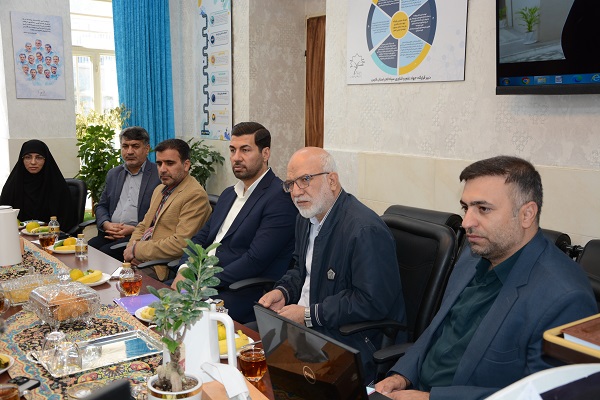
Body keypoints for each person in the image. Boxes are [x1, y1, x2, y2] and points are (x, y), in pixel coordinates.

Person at [375, 156, 597, 400]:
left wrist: (431, 399)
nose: (466, 223)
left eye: (483, 209)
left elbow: (549, 397)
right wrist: (402, 376)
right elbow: (436, 332)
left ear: (527, 214)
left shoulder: (567, 298)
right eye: (466, 208)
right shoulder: (473, 256)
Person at [259, 147, 406, 384]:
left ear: (332, 181)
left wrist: (309, 315)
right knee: (249, 354)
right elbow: (300, 269)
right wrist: (283, 291)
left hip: (350, 339)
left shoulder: (364, 230)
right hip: (307, 327)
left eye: (305, 180)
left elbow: (372, 301)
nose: (296, 192)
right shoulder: (305, 218)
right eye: (291, 184)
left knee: (274, 378)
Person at [171, 122, 298, 323]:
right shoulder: (229, 194)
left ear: (265, 153)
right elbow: (200, 239)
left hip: (239, 291)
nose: (236, 157)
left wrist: (200, 281)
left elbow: (255, 260)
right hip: (201, 283)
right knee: (151, 308)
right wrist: (185, 270)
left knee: (175, 320)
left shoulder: (279, 197)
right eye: (232, 150)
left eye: (245, 150)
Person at [124, 138, 211, 282]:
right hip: (139, 260)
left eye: (170, 163)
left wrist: (137, 250)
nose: (162, 169)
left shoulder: (195, 195)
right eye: (159, 163)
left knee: (118, 289)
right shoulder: (160, 189)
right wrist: (131, 249)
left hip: (160, 267)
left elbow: (181, 244)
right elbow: (143, 225)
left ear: (186, 165)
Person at [89, 127, 161, 261]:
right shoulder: (114, 174)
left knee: (105, 254)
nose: (129, 151)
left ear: (146, 149)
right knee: (87, 248)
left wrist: (134, 229)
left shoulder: (158, 175)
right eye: (125, 146)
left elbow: (162, 216)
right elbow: (102, 206)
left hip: (138, 236)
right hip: (110, 232)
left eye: (135, 146)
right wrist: (106, 224)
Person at [0, 139, 75, 229]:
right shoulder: (12, 186)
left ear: (46, 160)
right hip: (17, 235)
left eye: (39, 157)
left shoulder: (57, 186)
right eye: (28, 157)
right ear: (22, 159)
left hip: (51, 235)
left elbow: (67, 220)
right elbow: (3, 218)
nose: (33, 162)